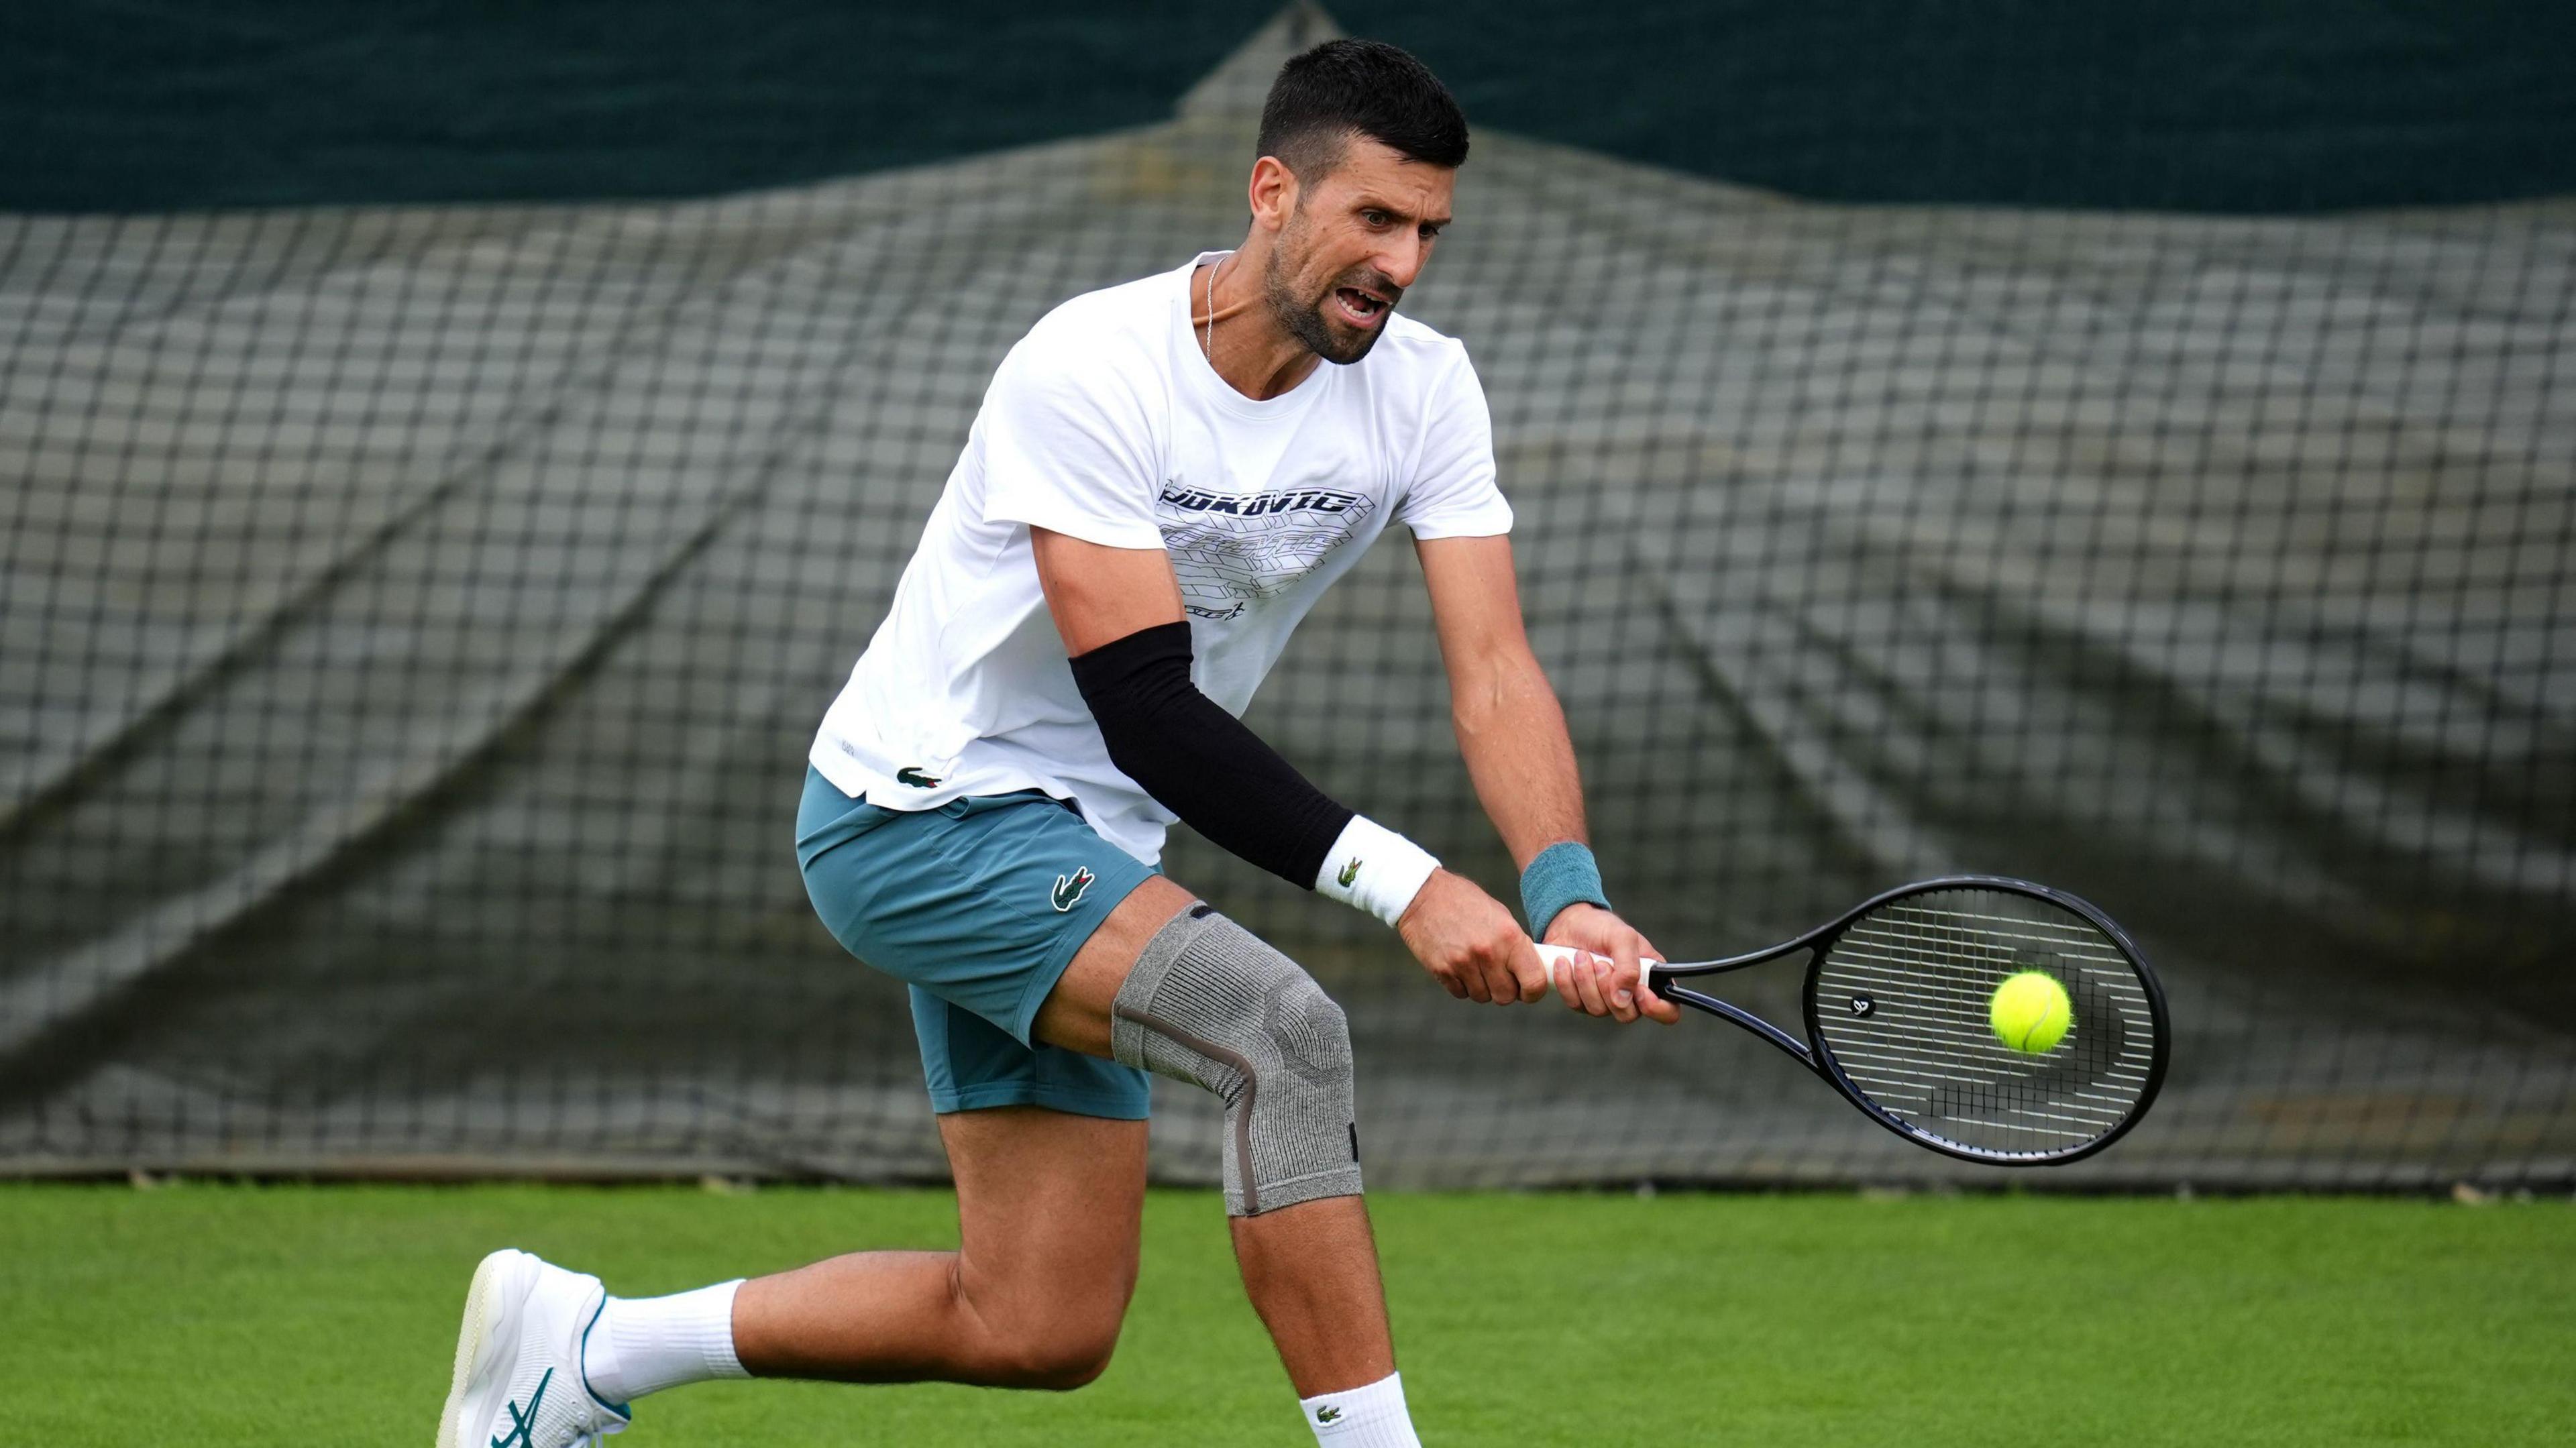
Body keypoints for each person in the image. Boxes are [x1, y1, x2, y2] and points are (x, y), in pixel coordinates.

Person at [435, 38, 1674, 1448]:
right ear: (1274, 191)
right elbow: (1142, 710)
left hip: (1084, 852)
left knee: (1036, 1323)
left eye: (1429, 233)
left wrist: (1562, 883)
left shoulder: (1426, 391)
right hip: (923, 819)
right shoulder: (1090, 366)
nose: (1402, 264)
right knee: (1285, 1032)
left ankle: (588, 1349)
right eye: (1375, 219)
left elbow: (1497, 670)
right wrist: (1407, 884)